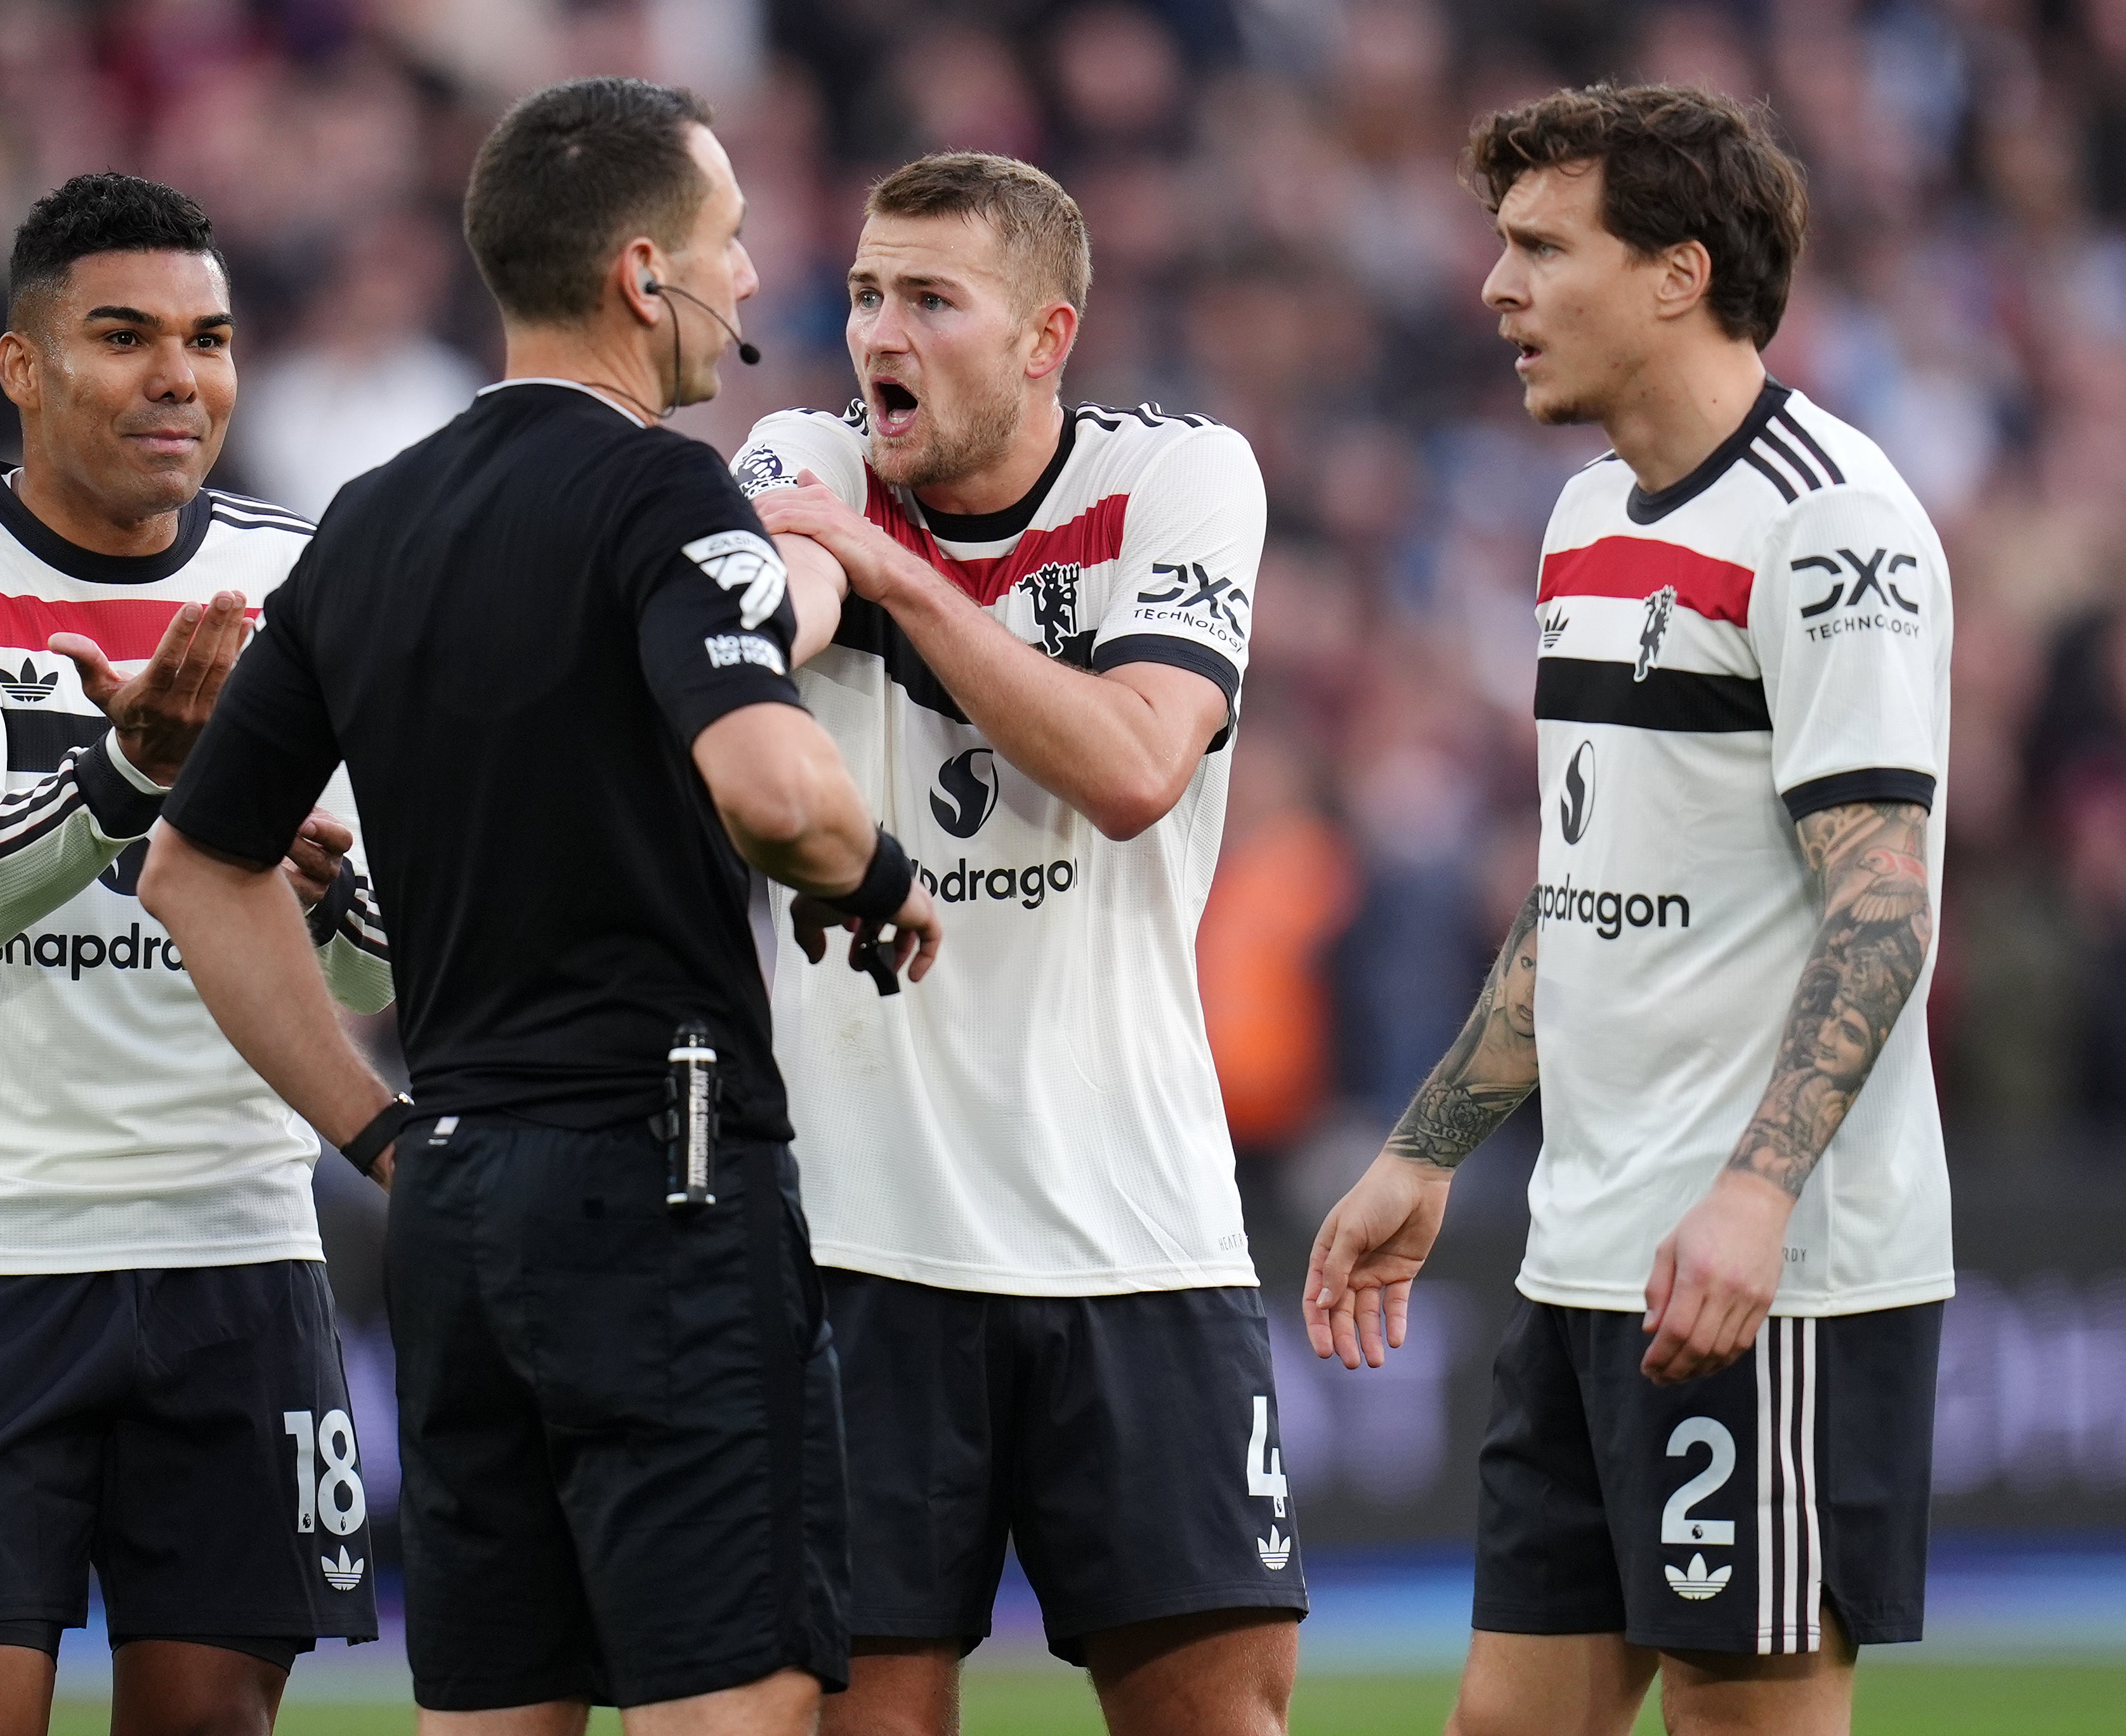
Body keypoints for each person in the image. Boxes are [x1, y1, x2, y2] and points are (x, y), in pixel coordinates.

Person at [138, 77, 940, 1736]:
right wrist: (876, 869)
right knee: (734, 1700)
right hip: (665, 1173)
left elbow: (192, 868)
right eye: (728, 244)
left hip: (455, 1203)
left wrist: (380, 1133)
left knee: (498, 1706)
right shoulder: (666, 495)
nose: (751, 275)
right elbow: (772, 788)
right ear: (644, 274)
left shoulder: (367, 524)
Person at [1305, 84, 1952, 1736]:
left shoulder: (1832, 523)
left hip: (1769, 1268)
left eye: (1539, 247)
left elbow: (1884, 906)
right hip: (1589, 1254)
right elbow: (1584, 890)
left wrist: (1752, 1195)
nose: (1493, 287)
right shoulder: (1587, 516)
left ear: (1676, 272)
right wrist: (1428, 1145)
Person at [728, 153, 1301, 1736]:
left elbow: (1130, 768)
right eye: (860, 295)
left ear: (1046, 337)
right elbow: (780, 611)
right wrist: (779, 601)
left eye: (928, 300)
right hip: (861, 1240)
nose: (876, 336)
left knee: (1221, 1719)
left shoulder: (1182, 479)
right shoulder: (807, 458)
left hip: (1137, 1227)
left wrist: (903, 578)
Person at [0, 173, 390, 1736]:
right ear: (23, 367)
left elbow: (375, 967)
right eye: (126, 336)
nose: (179, 378)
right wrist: (141, 777)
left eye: (208, 340)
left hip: (236, 1242)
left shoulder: (302, 576)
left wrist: (322, 882)